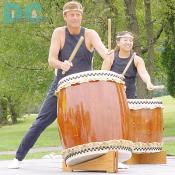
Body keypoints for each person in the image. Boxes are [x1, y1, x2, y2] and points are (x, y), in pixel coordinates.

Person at [8, 1, 109, 169]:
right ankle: (18, 157)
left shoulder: (90, 34)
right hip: (61, 86)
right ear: (65, 16)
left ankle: (107, 158)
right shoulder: (59, 33)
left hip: (84, 87)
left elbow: (104, 52)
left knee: (96, 122)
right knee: (41, 122)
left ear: (81, 16)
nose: (75, 17)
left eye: (78, 14)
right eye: (72, 15)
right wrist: (61, 64)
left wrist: (108, 54)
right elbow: (51, 60)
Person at [101, 31, 155, 99]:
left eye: (130, 40)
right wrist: (115, 78)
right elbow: (102, 77)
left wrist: (148, 82)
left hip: (130, 98)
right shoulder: (110, 57)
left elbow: (143, 73)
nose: (128, 42)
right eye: (125, 40)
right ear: (118, 43)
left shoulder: (137, 60)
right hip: (112, 97)